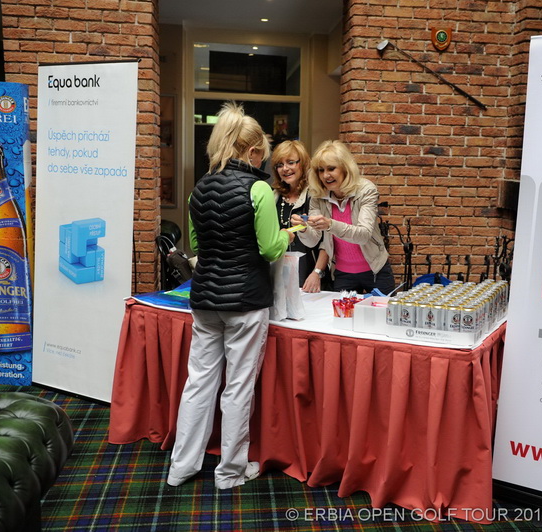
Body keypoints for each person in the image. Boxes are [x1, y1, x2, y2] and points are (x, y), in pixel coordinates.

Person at [167, 102, 293, 489]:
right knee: (238, 388)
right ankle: (230, 472)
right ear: (253, 150)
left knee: (198, 383)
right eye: (262, 155)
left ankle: (181, 467)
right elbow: (270, 249)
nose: (263, 161)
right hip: (246, 301)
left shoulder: (199, 189)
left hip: (205, 298)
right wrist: (290, 233)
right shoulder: (258, 189)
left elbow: (195, 244)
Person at [293, 140, 395, 295]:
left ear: (345, 168)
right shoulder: (317, 196)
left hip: (375, 270)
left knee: (384, 311)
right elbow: (313, 240)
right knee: (341, 311)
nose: (325, 175)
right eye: (321, 170)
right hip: (343, 273)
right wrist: (303, 229)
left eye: (331, 168)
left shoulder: (366, 190)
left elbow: (363, 235)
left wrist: (330, 225)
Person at [270, 140, 329, 293]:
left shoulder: (316, 195)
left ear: (302, 164)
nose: (285, 169)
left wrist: (317, 272)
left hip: (310, 274)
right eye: (280, 165)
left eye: (291, 162)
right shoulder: (273, 196)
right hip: (280, 276)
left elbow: (328, 241)